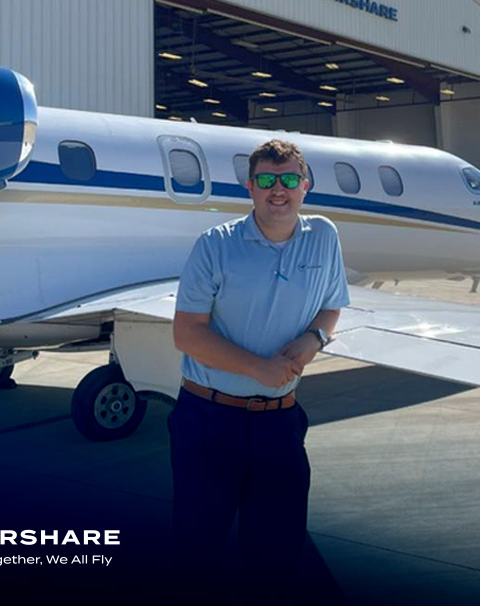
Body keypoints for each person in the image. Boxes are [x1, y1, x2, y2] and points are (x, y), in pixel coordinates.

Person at [170, 139, 350, 597]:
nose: (278, 190)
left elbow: (331, 308)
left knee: (276, 555)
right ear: (250, 187)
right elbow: (187, 334)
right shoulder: (215, 245)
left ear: (305, 186)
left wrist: (313, 341)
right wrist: (259, 369)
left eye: (289, 180)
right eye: (266, 180)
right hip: (209, 422)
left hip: (279, 424)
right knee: (196, 550)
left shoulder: (324, 235)